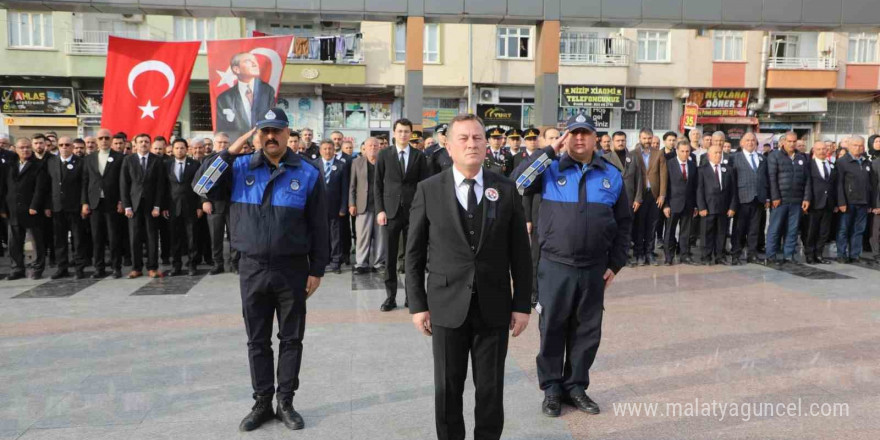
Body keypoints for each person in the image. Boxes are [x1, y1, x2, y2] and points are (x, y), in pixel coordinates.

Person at [193, 107, 328, 432]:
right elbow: (200, 187)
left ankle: (286, 402)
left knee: (291, 339)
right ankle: (262, 402)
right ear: (256, 136)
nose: (270, 137)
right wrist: (228, 151)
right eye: (264, 131)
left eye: (276, 131)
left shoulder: (308, 172)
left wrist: (317, 268)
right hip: (252, 268)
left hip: (292, 269)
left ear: (287, 134)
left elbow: (319, 226)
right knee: (257, 341)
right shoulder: (238, 168)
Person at [407, 113, 532, 440]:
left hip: (494, 306)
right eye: (463, 138)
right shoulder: (428, 190)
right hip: (446, 306)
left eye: (477, 137)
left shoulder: (505, 189)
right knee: (447, 389)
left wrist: (522, 305)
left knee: (491, 390)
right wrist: (418, 305)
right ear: (448, 146)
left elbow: (520, 252)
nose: (472, 144)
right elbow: (414, 254)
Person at [515, 113, 632, 418]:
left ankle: (576, 386)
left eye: (586, 134)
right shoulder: (549, 169)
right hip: (555, 265)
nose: (579, 139)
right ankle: (552, 389)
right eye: (574, 134)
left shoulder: (611, 174)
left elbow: (624, 224)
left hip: (594, 268)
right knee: (552, 327)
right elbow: (517, 182)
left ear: (596, 138)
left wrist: (615, 264)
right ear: (565, 137)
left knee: (587, 331)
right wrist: (550, 150)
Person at [375, 118, 430, 311]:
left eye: (407, 131)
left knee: (413, 256)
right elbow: (378, 185)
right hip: (390, 212)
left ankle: (411, 297)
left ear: (411, 134)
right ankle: (390, 297)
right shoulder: (384, 155)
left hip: (413, 212)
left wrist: (423, 211)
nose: (403, 135)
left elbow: (424, 186)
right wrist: (380, 210)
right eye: (400, 131)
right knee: (390, 258)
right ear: (394, 133)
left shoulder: (419, 156)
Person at [1, 138, 50, 280]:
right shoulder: (9, 166)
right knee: (14, 243)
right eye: (22, 147)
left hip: (31, 211)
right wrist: (3, 208)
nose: (25, 150)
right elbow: (3, 189)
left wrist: (34, 206)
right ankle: (17, 269)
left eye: (28, 147)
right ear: (15, 149)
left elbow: (40, 189)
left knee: (35, 243)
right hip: (13, 211)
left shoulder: (39, 165)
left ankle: (37, 268)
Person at [120, 133, 167, 279]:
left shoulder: (157, 160)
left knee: (152, 236)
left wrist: (158, 206)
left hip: (151, 205)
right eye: (140, 141)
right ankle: (136, 268)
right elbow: (123, 184)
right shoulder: (128, 160)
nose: (144, 144)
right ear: (135, 144)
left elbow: (161, 185)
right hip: (134, 205)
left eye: (146, 141)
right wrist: (127, 206)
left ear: (150, 143)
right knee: (134, 237)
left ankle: (152, 267)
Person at [81, 128, 125, 279]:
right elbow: (85, 182)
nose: (104, 141)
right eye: (101, 138)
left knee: (114, 237)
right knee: (97, 238)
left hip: (112, 203)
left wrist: (121, 201)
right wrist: (84, 203)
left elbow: (123, 182)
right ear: (96, 141)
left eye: (107, 138)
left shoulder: (120, 158)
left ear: (111, 140)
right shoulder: (89, 158)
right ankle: (98, 268)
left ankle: (116, 267)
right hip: (95, 203)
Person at [765, 131, 811, 265]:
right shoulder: (775, 156)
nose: (792, 144)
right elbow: (772, 178)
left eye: (794, 141)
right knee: (775, 229)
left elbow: (807, 179)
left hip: (797, 200)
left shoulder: (801, 157)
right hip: (780, 200)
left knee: (792, 230)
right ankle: (771, 256)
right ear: (783, 142)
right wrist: (775, 197)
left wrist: (806, 198)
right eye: (789, 141)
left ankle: (789, 256)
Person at [46, 137, 87, 279]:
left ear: (72, 147)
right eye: (61, 145)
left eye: (67, 145)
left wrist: (84, 204)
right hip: (57, 208)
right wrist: (48, 205)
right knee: (59, 240)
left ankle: (79, 268)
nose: (64, 147)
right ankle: (61, 267)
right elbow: (47, 186)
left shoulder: (81, 163)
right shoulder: (51, 162)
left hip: (75, 208)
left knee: (78, 240)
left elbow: (84, 185)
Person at [602, 131, 643, 266]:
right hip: (612, 201)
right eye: (618, 140)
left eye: (623, 140)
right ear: (613, 142)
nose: (621, 143)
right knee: (612, 229)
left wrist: (638, 198)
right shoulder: (606, 158)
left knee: (626, 230)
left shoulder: (633, 157)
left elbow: (639, 179)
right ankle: (610, 256)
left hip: (629, 200)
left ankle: (625, 256)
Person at [162, 138, 202, 276]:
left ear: (187, 149)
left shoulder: (195, 164)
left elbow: (199, 187)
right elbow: (164, 188)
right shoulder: (166, 165)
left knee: (192, 238)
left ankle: (192, 265)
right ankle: (176, 265)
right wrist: (164, 206)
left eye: (182, 148)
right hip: (173, 207)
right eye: (177, 148)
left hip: (190, 206)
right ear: (172, 150)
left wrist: (199, 206)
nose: (179, 150)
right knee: (174, 238)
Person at [729, 132, 769, 265]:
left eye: (753, 140)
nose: (750, 142)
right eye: (747, 140)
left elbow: (766, 179)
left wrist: (767, 197)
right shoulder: (734, 158)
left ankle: (752, 254)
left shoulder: (762, 158)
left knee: (755, 229)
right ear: (741, 143)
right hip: (742, 199)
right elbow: (732, 181)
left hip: (758, 199)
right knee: (739, 229)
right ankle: (736, 254)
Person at [202, 132, 239, 274]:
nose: (222, 145)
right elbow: (201, 182)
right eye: (220, 142)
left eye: (225, 142)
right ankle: (218, 264)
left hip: (233, 203)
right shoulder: (208, 160)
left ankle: (235, 263)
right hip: (214, 204)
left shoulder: (235, 159)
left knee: (234, 236)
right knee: (215, 236)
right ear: (214, 144)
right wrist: (205, 201)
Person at [835, 136, 876, 263]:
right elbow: (839, 184)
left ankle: (855, 255)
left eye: (860, 145)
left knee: (858, 230)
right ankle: (842, 254)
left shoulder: (866, 162)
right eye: (855, 145)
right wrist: (841, 202)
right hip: (848, 202)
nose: (858, 148)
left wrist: (871, 203)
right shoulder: (842, 162)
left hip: (863, 202)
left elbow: (871, 185)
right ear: (849, 146)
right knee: (844, 229)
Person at [215, 52, 277, 135]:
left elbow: (271, 121)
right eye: (248, 61)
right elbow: (223, 131)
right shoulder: (224, 98)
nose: (255, 64)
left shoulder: (267, 91)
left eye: (255, 61)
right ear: (236, 69)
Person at [696, 145, 737, 265]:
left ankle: (720, 256)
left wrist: (732, 207)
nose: (718, 155)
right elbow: (699, 190)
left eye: (720, 153)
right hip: (708, 208)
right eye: (715, 153)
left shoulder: (728, 169)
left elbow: (733, 191)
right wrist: (701, 207)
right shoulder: (702, 170)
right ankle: (706, 257)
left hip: (723, 208)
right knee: (706, 233)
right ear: (709, 155)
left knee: (721, 233)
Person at [349, 137, 384, 274]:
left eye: (376, 145)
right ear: (365, 147)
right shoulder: (357, 162)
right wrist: (351, 203)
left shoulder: (384, 162)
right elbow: (352, 185)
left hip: (381, 206)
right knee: (362, 236)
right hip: (363, 205)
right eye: (370, 145)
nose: (373, 148)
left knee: (380, 236)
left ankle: (378, 263)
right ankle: (361, 263)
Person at [632, 128, 667, 266]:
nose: (647, 141)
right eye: (644, 138)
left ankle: (649, 253)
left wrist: (662, 195)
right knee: (639, 226)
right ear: (640, 138)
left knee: (652, 226)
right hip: (639, 195)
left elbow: (664, 176)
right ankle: (639, 253)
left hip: (654, 195)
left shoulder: (659, 154)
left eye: (649, 138)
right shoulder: (633, 154)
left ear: (652, 138)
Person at [662, 140, 698, 265]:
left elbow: (695, 187)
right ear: (677, 151)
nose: (685, 154)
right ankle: (668, 256)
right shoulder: (669, 164)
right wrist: (666, 205)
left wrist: (695, 205)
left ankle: (684, 255)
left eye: (687, 151)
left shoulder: (693, 165)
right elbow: (665, 186)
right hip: (672, 204)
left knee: (686, 231)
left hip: (688, 204)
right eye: (682, 151)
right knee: (670, 231)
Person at [319, 140, 349, 274]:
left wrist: (343, 207)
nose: (327, 151)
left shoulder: (341, 166)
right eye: (325, 149)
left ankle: (336, 262)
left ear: (334, 150)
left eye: (330, 149)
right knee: (321, 235)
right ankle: (323, 260)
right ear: (320, 150)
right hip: (318, 208)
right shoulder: (314, 165)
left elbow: (345, 189)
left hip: (335, 208)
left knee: (335, 236)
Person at [805, 141, 837, 264]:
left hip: (828, 203)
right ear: (814, 150)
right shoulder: (809, 165)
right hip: (814, 203)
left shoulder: (831, 165)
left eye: (824, 149)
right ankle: (809, 254)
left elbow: (834, 185)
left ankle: (819, 254)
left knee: (824, 232)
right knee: (811, 231)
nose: (822, 151)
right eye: (819, 149)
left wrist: (836, 203)